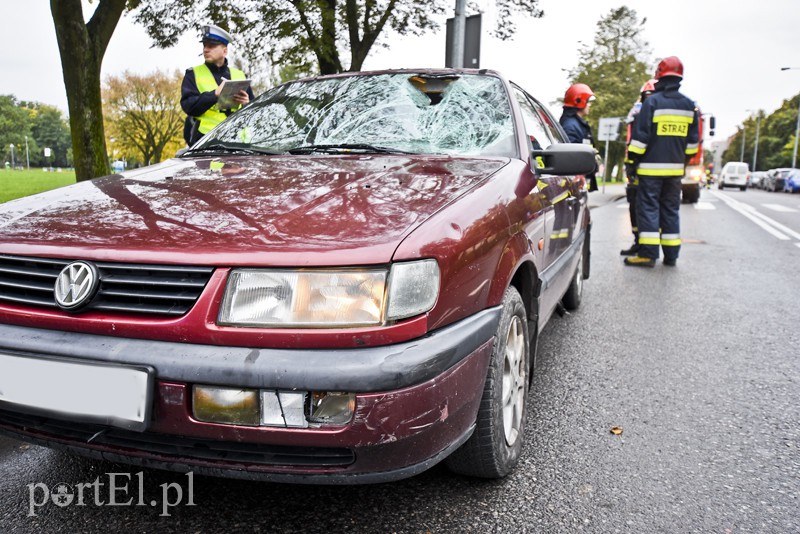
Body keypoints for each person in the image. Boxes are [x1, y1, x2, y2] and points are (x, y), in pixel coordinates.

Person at [624, 56, 699, 268]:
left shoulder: (652, 102)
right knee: (671, 210)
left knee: (648, 209)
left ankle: (648, 255)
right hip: (675, 172)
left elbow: (640, 140)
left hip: (649, 170)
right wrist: (679, 160)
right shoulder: (689, 105)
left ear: (659, 75)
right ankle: (671, 255)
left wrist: (633, 162)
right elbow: (692, 145)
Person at [181, 24, 255, 146]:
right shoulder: (192, 74)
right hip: (205, 142)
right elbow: (188, 107)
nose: (205, 49)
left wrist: (247, 103)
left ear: (225, 51)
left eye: (211, 46)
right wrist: (214, 95)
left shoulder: (240, 75)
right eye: (204, 45)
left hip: (238, 143)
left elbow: (255, 112)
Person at [620, 79, 656, 256]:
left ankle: (648, 247)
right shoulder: (636, 111)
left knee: (648, 209)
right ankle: (639, 242)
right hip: (637, 169)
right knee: (635, 206)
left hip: (649, 170)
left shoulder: (654, 113)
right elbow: (631, 141)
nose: (648, 99)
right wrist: (630, 166)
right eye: (646, 96)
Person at [559, 83, 598, 191]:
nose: (590, 105)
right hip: (574, 183)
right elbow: (569, 158)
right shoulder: (570, 126)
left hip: (579, 181)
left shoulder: (577, 125)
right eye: (588, 102)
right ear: (579, 101)